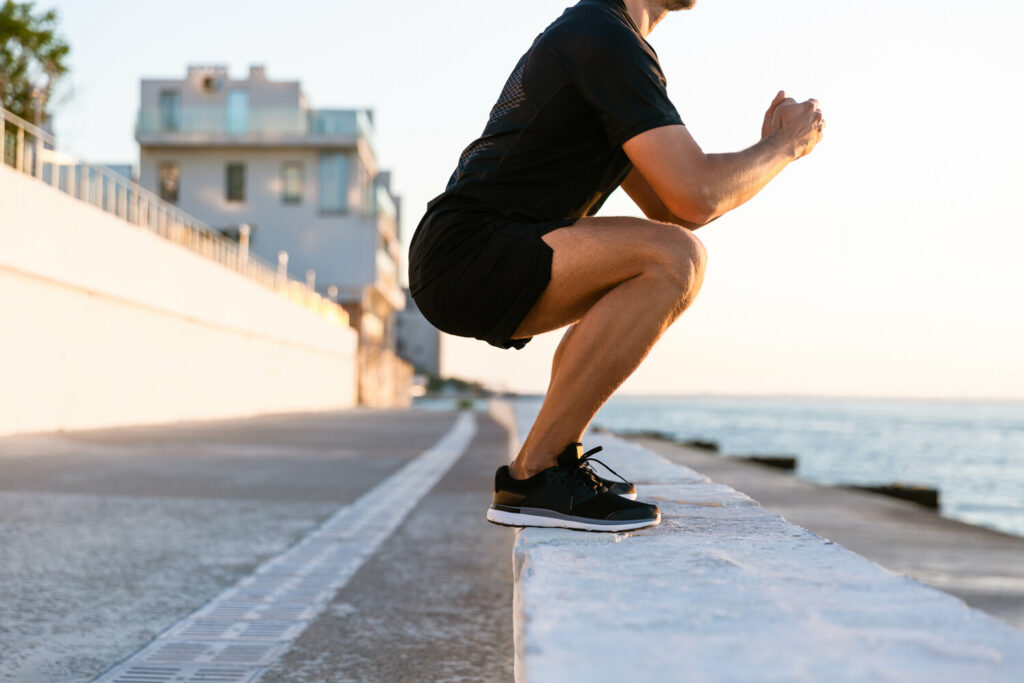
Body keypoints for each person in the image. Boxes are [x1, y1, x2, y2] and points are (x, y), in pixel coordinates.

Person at [408, 0, 824, 532]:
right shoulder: (603, 38)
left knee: (666, 253)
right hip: (468, 252)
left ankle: (552, 464)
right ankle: (535, 474)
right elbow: (695, 195)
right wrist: (783, 145)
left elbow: (671, 206)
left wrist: (768, 152)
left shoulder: (604, 37)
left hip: (470, 252)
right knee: (674, 258)